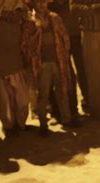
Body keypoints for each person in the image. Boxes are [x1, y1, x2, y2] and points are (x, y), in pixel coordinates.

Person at [22, 0, 74, 136]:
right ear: (33, 4)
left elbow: (65, 36)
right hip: (42, 64)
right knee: (43, 95)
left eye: (44, 1)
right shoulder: (30, 21)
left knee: (61, 91)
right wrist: (37, 29)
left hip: (58, 61)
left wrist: (65, 55)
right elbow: (25, 44)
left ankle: (67, 119)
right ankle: (43, 125)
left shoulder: (55, 18)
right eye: (38, 2)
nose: (42, 5)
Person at [0, 0, 31, 137]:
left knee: (20, 93)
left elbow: (23, 9)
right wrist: (0, 15)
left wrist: (19, 13)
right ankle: (8, 125)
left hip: (14, 49)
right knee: (1, 93)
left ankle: (20, 123)